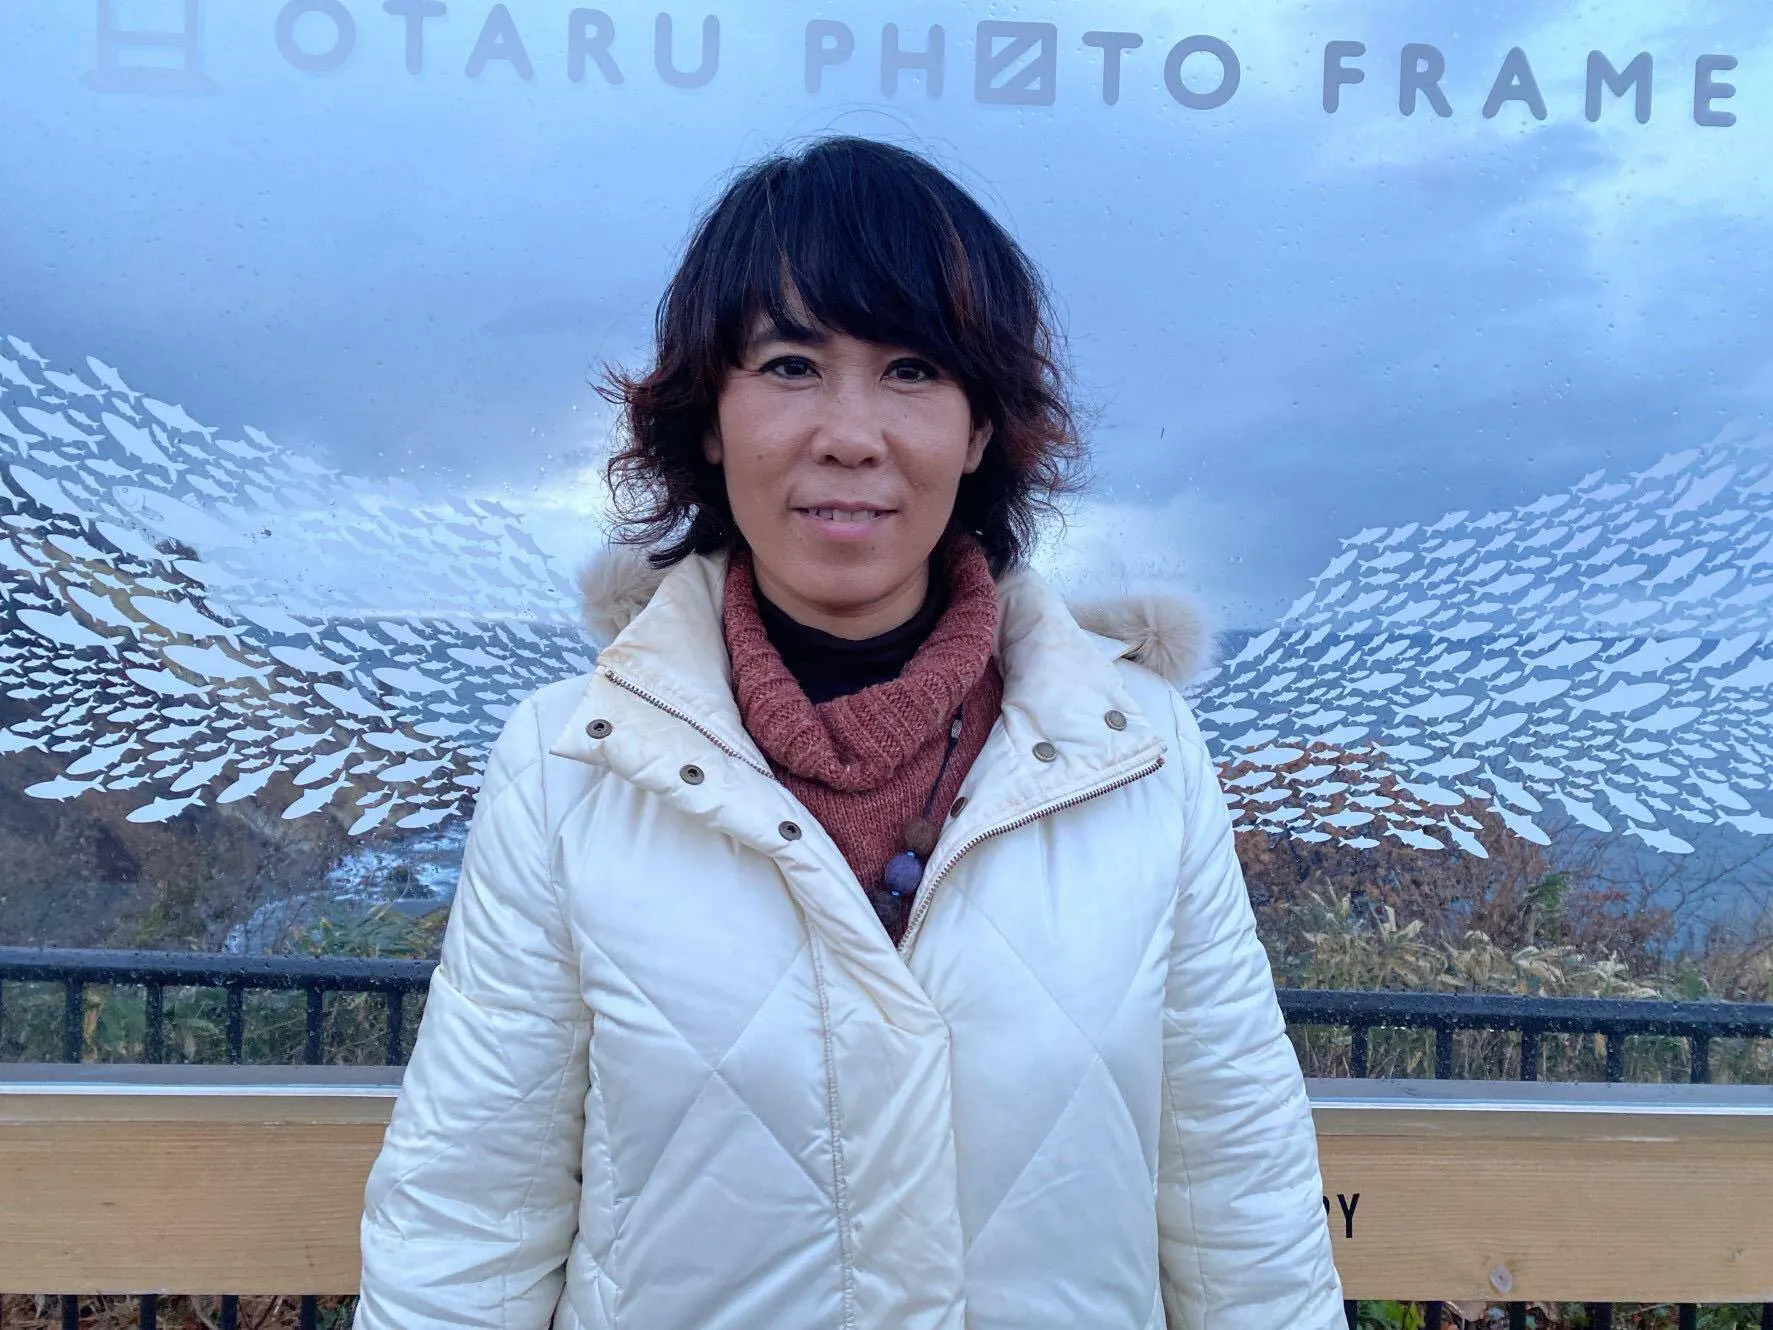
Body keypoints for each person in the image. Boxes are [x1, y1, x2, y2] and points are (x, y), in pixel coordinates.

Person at [356, 134, 1344, 1329]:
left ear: (980, 430)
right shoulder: (569, 764)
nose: (851, 433)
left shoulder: (1139, 756)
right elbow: (469, 1217)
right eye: (790, 365)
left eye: (913, 370)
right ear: (709, 419)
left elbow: (1241, 1199)